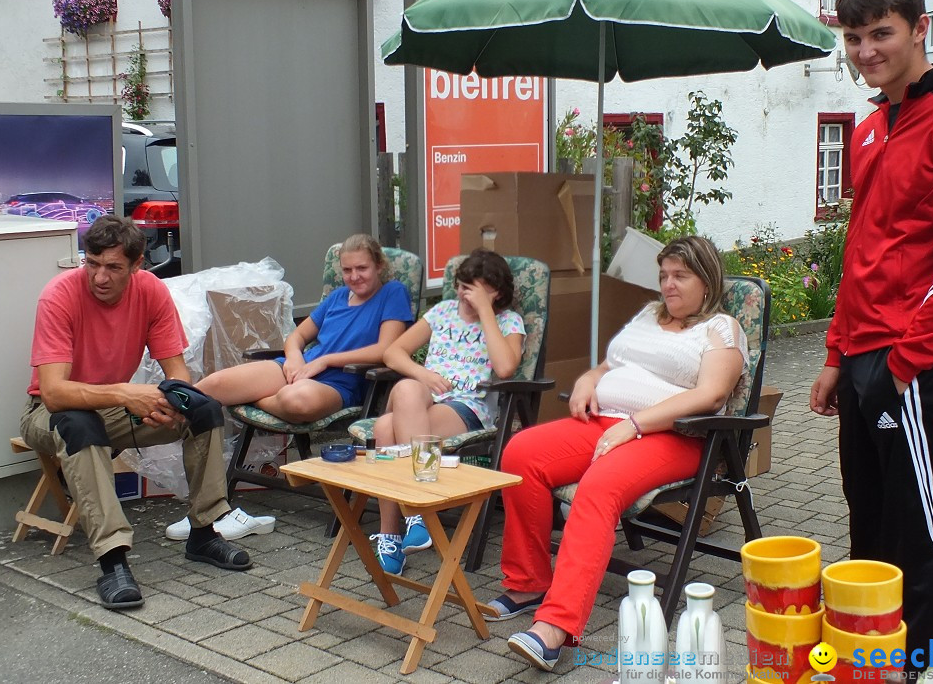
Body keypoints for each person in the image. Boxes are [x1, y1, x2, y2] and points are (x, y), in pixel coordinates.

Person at [809, 0, 933, 679]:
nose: (865, 49)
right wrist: (834, 353)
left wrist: (902, 364)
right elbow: (860, 252)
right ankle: (868, 643)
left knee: (914, 521)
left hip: (913, 362)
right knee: (867, 509)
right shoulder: (870, 127)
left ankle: (910, 659)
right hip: (861, 355)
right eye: (855, 37)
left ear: (921, 29)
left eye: (881, 33)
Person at [491, 236, 747, 671]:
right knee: (520, 454)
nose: (668, 284)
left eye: (680, 276)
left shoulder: (721, 328)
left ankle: (555, 626)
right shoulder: (649, 315)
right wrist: (590, 380)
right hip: (606, 422)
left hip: (675, 436)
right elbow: (612, 365)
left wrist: (636, 424)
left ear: (706, 280)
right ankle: (528, 583)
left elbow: (712, 393)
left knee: (599, 485)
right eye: (664, 275)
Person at [20, 215, 252, 611]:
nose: (99, 277)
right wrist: (128, 394)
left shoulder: (151, 291)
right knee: (79, 423)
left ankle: (204, 532)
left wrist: (170, 404)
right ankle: (113, 562)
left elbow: (177, 373)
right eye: (92, 263)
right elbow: (55, 393)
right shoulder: (58, 295)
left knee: (202, 409)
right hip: (48, 414)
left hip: (113, 409)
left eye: (113, 267)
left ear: (138, 264)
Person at [178, 234, 414, 540]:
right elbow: (295, 338)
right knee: (212, 385)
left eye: (362, 268)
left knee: (296, 401)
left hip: (342, 381)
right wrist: (291, 358)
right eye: (347, 270)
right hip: (299, 370)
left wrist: (326, 361)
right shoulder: (337, 298)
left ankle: (254, 398)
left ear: (379, 266)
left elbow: (386, 349)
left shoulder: (393, 293)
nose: (354, 276)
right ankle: (203, 508)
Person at [370, 249, 525, 574]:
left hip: (466, 408)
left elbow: (506, 367)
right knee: (408, 387)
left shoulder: (508, 321)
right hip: (426, 399)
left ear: (495, 291)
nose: (464, 294)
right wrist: (424, 374)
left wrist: (485, 312)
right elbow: (393, 352)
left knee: (385, 430)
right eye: (462, 286)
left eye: (474, 289)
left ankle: (400, 526)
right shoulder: (442, 313)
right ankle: (413, 517)